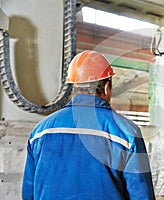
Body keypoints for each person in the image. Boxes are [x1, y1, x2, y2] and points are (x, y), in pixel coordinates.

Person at [22, 50, 156, 200]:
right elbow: (141, 195)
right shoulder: (126, 133)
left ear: (73, 87)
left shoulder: (40, 132)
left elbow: (29, 194)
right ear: (106, 88)